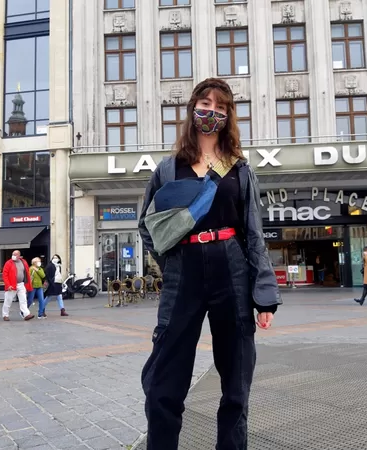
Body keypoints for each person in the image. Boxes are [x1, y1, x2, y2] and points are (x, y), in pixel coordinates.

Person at [138, 78, 280, 450]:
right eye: (205, 103)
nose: (211, 112)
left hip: (231, 269)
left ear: (229, 115)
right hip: (182, 270)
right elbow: (146, 225)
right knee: (163, 380)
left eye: (221, 107)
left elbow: (253, 233)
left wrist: (263, 295)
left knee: (236, 381)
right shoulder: (169, 169)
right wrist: (170, 265)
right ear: (192, 109)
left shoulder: (241, 169)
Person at [1, 250, 35, 321]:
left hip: (21, 284)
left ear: (19, 256)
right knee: (8, 300)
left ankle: (26, 314)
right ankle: (5, 315)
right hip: (12, 285)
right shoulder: (8, 263)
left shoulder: (23, 262)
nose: (14, 256)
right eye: (13, 254)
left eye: (15, 254)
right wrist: (8, 285)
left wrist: (28, 282)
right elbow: (5, 275)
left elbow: (26, 272)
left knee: (23, 300)